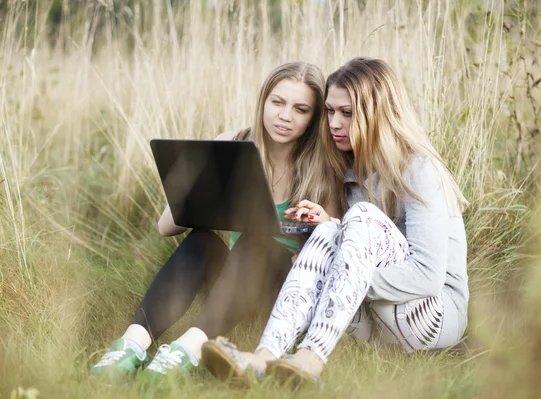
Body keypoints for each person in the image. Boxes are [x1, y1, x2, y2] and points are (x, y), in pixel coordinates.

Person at [200, 57, 470, 387]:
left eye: (347, 112)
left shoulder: (418, 169)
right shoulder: (351, 173)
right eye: (329, 111)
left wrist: (334, 274)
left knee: (360, 217)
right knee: (329, 229)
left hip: (433, 318)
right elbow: (354, 252)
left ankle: (310, 360)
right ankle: (265, 357)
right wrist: (325, 231)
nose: (333, 123)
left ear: (377, 113)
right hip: (375, 322)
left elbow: (427, 276)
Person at [89, 61, 341, 380]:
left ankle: (188, 349)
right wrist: (200, 176)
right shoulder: (234, 143)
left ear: (313, 118)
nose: (285, 115)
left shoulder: (323, 170)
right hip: (229, 290)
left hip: (281, 299)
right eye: (277, 102)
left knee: (256, 240)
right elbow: (165, 227)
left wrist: (321, 225)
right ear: (263, 101)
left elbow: (335, 250)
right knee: (202, 240)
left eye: (300, 109)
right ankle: (131, 345)